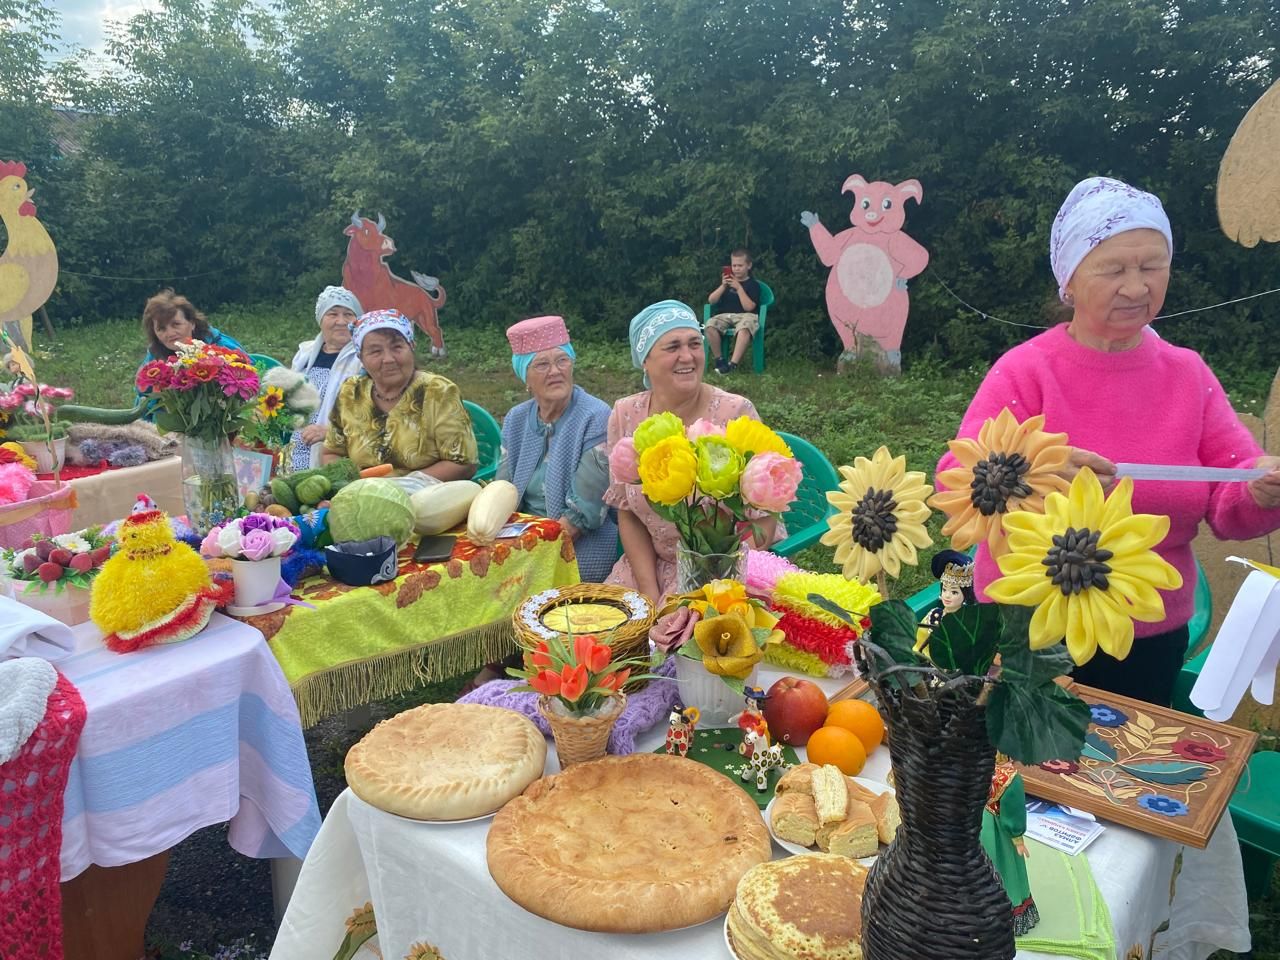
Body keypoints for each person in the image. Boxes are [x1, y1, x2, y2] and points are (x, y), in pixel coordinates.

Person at [937, 175, 1280, 706]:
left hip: (1149, 631)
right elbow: (955, 480)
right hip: (1030, 625)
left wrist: (1259, 492)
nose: (1137, 287)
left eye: (1152, 266)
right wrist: (1032, 472)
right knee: (1023, 774)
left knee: (1124, 779)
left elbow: (1229, 501)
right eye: (1114, 268)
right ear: (1069, 279)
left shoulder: (1187, 375)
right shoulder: (1027, 372)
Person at [605, 299, 781, 603]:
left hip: (725, 575)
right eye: (672, 347)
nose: (687, 356)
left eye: (694, 344)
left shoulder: (736, 413)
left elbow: (765, 517)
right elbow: (628, 512)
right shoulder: (626, 414)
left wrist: (716, 586)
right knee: (599, 635)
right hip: (648, 569)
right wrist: (649, 592)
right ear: (645, 360)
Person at [499, 315, 617, 582]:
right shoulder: (516, 419)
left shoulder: (595, 416)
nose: (555, 371)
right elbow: (502, 490)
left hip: (578, 546)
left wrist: (531, 553)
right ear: (524, 376)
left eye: (562, 360)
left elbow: (584, 511)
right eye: (541, 364)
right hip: (521, 540)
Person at [323, 309, 477, 477]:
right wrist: (354, 481)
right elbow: (331, 453)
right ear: (361, 357)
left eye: (397, 347)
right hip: (362, 495)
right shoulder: (351, 392)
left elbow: (463, 463)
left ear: (411, 347)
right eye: (375, 351)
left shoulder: (438, 392)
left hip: (426, 497)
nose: (388, 359)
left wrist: (399, 487)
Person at [289, 286, 365, 471]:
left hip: (336, 455)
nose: (341, 321)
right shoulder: (304, 355)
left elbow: (371, 414)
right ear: (320, 320)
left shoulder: (365, 360)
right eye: (333, 314)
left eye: (348, 314)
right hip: (296, 448)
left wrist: (330, 432)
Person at [981, 758, 1038, 936]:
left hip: (972, 823)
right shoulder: (1008, 779)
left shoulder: (966, 766)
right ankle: (1007, 910)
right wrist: (1017, 838)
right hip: (997, 831)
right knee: (1004, 867)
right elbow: (1014, 813)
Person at [705, 249, 762, 375]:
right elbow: (711, 300)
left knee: (745, 328)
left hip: (746, 315)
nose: (736, 269)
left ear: (749, 265)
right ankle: (719, 360)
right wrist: (723, 286)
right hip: (725, 315)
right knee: (710, 325)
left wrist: (739, 288)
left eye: (740, 265)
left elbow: (749, 307)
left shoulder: (753, 285)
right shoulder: (727, 282)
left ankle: (733, 364)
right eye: (734, 265)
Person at [914, 550, 975, 654]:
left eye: (954, 592)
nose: (947, 595)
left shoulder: (970, 620)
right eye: (944, 589)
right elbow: (919, 644)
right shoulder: (934, 616)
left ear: (965, 595)